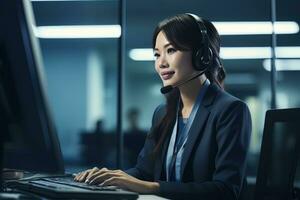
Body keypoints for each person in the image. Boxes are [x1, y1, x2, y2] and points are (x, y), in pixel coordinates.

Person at [74, 13, 251, 200]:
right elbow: (144, 172)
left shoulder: (230, 110)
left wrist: (152, 188)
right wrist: (109, 177)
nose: (161, 63)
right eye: (157, 54)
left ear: (202, 55)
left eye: (171, 50)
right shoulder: (163, 113)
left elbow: (226, 190)